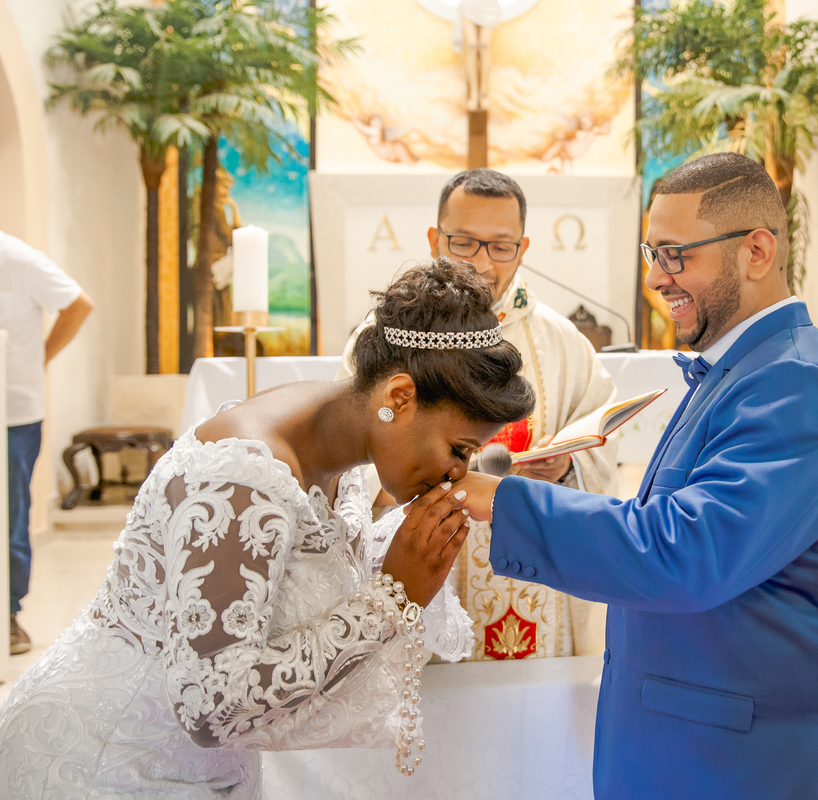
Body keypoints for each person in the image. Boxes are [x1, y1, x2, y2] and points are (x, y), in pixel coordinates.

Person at [454, 152, 818, 799]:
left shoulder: (795, 383)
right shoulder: (742, 369)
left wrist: (503, 501)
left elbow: (686, 551)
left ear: (756, 252)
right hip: (711, 746)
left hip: (767, 763)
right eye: (652, 254)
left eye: (675, 255)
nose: (655, 278)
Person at [0, 260, 534, 796]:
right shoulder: (244, 476)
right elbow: (210, 707)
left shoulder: (337, 448)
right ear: (398, 396)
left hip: (208, 770)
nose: (459, 471)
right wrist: (392, 597)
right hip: (100, 760)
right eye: (459, 449)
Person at [338, 168, 616, 661]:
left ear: (522, 249)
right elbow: (350, 450)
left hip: (533, 583)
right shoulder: (385, 339)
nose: (482, 263)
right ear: (434, 239)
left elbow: (601, 440)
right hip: (425, 554)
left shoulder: (563, 343)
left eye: (501, 246)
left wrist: (566, 466)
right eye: (464, 243)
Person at [1, 230, 94, 655]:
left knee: (10, 511)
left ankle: (8, 614)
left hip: (13, 413)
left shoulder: (18, 258)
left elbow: (78, 304)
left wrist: (39, 358)